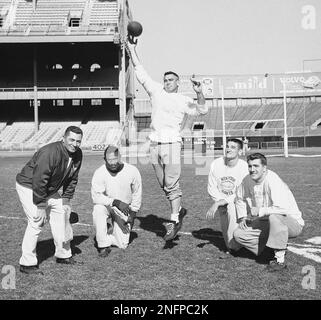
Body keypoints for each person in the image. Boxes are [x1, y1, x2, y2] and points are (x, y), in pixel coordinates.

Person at [126, 37, 208, 241]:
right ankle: (178, 210)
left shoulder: (183, 100)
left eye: (171, 80)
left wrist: (199, 93)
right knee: (164, 184)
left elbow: (203, 110)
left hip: (171, 144)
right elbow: (140, 70)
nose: (167, 82)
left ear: (178, 82)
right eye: (165, 79)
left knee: (171, 184)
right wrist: (132, 49)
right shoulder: (156, 91)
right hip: (154, 144)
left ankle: (173, 220)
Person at [16, 126, 83, 275]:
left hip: (49, 189)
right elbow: (39, 180)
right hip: (29, 186)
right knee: (36, 221)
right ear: (63, 138)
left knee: (62, 216)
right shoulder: (50, 152)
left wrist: (66, 199)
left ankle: (63, 255)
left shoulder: (78, 154)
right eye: (71, 140)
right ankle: (27, 263)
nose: (75, 144)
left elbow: (72, 179)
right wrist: (40, 205)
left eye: (78, 141)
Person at [233, 153, 304, 271]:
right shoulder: (247, 180)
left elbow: (283, 209)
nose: (252, 170)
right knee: (239, 235)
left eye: (256, 166)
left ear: (264, 168)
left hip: (292, 223)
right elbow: (239, 198)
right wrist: (242, 217)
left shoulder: (273, 180)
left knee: (274, 216)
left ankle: (279, 261)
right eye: (250, 166)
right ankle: (269, 251)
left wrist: (261, 210)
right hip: (266, 220)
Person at [91, 145, 142, 257]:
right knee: (98, 209)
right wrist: (116, 202)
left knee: (122, 244)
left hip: (124, 210)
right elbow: (96, 197)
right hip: (107, 206)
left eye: (115, 159)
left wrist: (133, 214)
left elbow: (137, 193)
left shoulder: (132, 171)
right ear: (105, 160)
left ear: (120, 157)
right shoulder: (99, 172)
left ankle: (107, 231)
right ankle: (103, 246)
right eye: (109, 160)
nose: (113, 163)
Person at [206, 139, 248, 258]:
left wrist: (224, 201)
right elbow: (211, 187)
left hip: (239, 202)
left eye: (233, 147)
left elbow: (242, 192)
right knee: (229, 242)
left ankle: (247, 235)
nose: (228, 149)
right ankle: (237, 241)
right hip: (221, 202)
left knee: (233, 245)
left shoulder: (244, 167)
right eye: (227, 146)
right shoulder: (216, 164)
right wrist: (219, 201)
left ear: (240, 152)